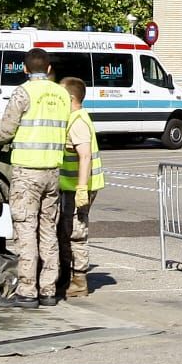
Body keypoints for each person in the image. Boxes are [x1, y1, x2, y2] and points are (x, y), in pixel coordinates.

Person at [0, 48, 71, 308]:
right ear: (50, 68)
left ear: (25, 69)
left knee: (25, 232)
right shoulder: (62, 94)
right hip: (53, 171)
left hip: (27, 172)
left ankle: (27, 291)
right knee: (48, 230)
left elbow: (6, 131)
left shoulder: (23, 92)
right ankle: (48, 289)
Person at [57, 76, 103, 299]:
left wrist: (82, 189)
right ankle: (69, 277)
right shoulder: (74, 118)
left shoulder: (77, 121)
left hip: (77, 188)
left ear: (70, 98)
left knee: (76, 234)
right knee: (67, 232)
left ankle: (79, 281)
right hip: (71, 186)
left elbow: (84, 156)